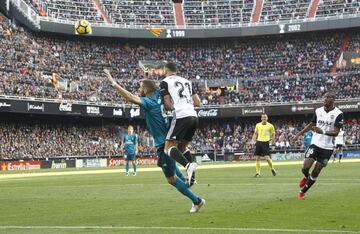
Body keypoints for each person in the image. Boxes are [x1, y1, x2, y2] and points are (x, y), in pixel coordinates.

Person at [104, 69, 205, 213]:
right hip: (171, 135)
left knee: (171, 179)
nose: (139, 90)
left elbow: (130, 97)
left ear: (145, 90)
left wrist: (113, 82)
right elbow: (157, 85)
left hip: (163, 142)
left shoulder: (149, 102)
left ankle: (197, 200)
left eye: (140, 88)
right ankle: (186, 178)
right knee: (162, 164)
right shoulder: (160, 94)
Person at [292, 92, 343, 200]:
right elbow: (312, 125)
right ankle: (306, 176)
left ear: (333, 99)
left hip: (327, 148)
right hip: (315, 143)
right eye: (324, 97)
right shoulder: (318, 111)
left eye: (327, 97)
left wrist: (323, 131)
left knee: (316, 171)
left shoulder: (339, 113)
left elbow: (337, 132)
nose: (324, 99)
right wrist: (298, 134)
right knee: (305, 167)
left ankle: (302, 192)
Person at [159, 62, 201, 185]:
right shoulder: (186, 81)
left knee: (168, 148)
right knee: (182, 147)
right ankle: (192, 178)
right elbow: (198, 102)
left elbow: (167, 104)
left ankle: (188, 166)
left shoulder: (165, 82)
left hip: (181, 115)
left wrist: (168, 108)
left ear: (166, 70)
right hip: (194, 116)